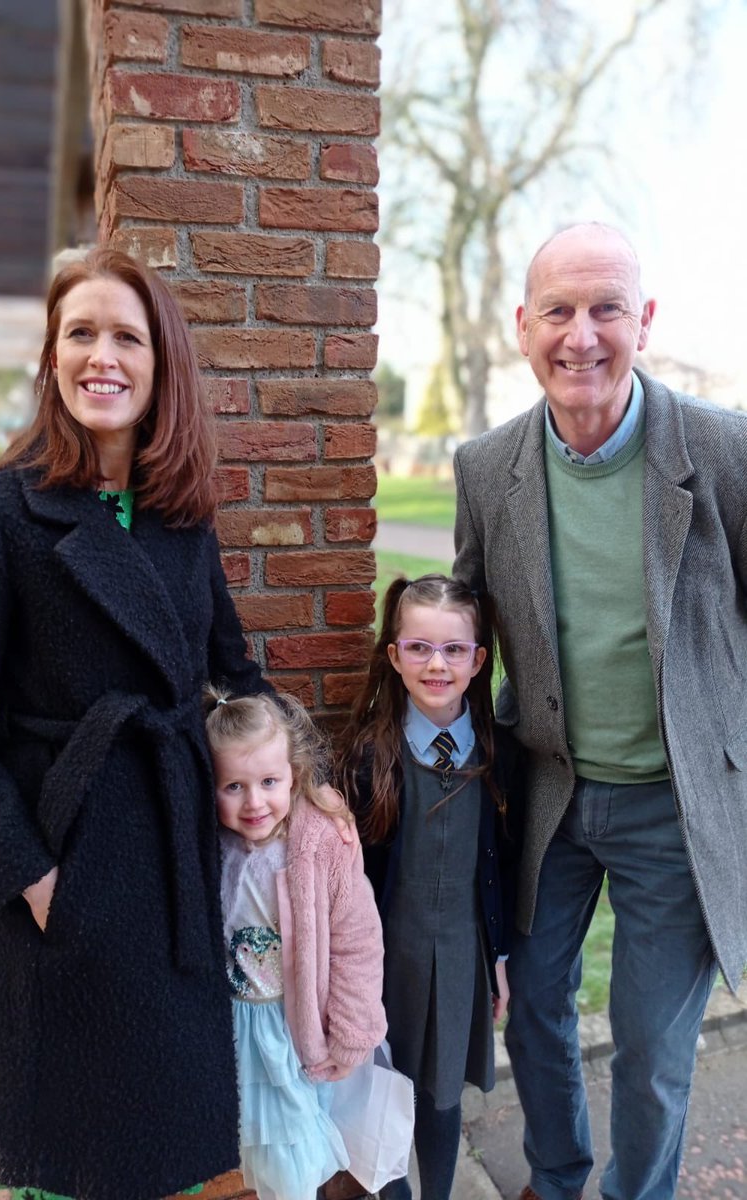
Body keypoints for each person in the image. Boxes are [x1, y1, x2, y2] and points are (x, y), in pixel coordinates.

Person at [0, 248, 273, 1200]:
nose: (103, 357)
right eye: (81, 334)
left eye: (128, 337)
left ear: (161, 364)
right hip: (54, 865)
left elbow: (232, 671)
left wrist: (287, 780)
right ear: (53, 357)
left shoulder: (183, 517)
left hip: (171, 864)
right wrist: (30, 874)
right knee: (45, 1155)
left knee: (161, 1149)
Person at [452, 221, 747, 1200]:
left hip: (676, 804)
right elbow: (463, 632)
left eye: (607, 308)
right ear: (523, 326)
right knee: (531, 1007)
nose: (583, 336)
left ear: (645, 321)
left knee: (651, 1046)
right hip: (549, 793)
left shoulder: (720, 448)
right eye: (560, 311)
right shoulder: (483, 469)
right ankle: (558, 1174)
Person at [337, 574, 524, 1200]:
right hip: (385, 957)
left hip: (461, 957)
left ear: (478, 659)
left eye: (452, 649)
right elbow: (351, 877)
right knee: (382, 1091)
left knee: (442, 1097)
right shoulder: (368, 756)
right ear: (394, 656)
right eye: (418, 647)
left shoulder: (502, 756)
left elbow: (507, 868)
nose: (435, 663)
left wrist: (498, 958)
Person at [205, 687, 387, 1200]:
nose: (255, 801)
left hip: (297, 1030)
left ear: (296, 773)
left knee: (296, 1164)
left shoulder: (320, 843)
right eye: (233, 787)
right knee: (260, 1159)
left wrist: (351, 1031)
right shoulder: (210, 847)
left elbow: (357, 939)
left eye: (268, 781)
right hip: (238, 1032)